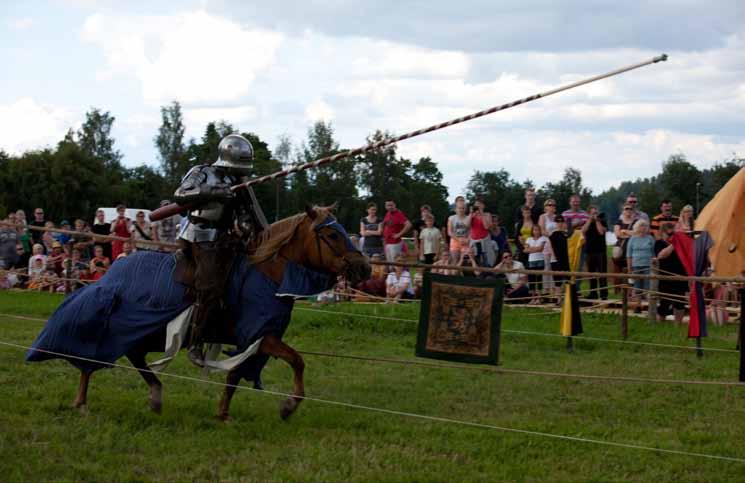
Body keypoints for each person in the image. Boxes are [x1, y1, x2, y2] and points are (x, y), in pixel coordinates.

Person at [174, 134, 268, 365]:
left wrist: (247, 228)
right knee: (210, 285)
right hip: (197, 235)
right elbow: (180, 194)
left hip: (225, 237)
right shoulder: (203, 172)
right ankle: (195, 342)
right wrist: (212, 193)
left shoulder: (240, 181)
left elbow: (249, 215)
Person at [654, 223, 687, 323]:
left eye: (673, 233)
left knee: (680, 303)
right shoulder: (659, 243)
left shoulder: (680, 244)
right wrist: (674, 244)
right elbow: (661, 255)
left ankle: (678, 325)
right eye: (669, 234)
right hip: (665, 277)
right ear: (663, 233)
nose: (672, 236)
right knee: (664, 302)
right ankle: (660, 324)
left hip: (680, 276)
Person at [626, 220, 655, 310]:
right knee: (637, 285)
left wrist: (654, 264)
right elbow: (629, 254)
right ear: (637, 227)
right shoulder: (632, 239)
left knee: (648, 285)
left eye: (645, 226)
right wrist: (629, 267)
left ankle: (650, 306)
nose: (643, 228)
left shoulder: (650, 238)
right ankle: (638, 305)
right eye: (641, 226)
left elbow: (653, 252)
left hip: (648, 265)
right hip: (636, 265)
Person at [582, 205, 608, 300]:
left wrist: (597, 220)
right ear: (588, 214)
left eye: (596, 213)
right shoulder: (587, 222)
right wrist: (589, 220)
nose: (594, 215)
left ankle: (603, 294)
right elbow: (583, 231)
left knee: (602, 273)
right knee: (591, 274)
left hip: (600, 251)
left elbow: (601, 232)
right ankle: (593, 293)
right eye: (592, 213)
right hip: (589, 251)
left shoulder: (602, 221)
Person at [523, 225, 548, 304]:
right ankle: (533, 298)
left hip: (540, 260)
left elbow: (541, 249)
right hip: (531, 261)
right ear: (532, 231)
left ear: (540, 231)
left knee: (539, 279)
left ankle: (539, 298)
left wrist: (531, 249)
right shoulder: (529, 239)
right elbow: (525, 250)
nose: (536, 232)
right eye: (534, 230)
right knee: (532, 279)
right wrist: (535, 249)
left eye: (537, 230)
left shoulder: (543, 238)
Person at [549, 215, 570, 301]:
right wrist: (554, 256)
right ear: (555, 223)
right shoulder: (553, 234)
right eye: (558, 221)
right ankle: (559, 298)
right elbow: (550, 246)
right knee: (557, 280)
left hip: (566, 259)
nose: (560, 223)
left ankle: (567, 297)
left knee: (567, 278)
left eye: (561, 221)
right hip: (556, 259)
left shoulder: (567, 234)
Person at [469, 199, 493, 267]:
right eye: (476, 205)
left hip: (485, 240)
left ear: (483, 206)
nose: (477, 206)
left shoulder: (487, 215)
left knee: (486, 259)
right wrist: (471, 214)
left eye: (479, 204)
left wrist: (482, 214)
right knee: (475, 259)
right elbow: (467, 225)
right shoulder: (472, 216)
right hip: (474, 240)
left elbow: (486, 227)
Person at [447, 196, 470, 264]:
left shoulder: (468, 218)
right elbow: (449, 232)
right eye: (459, 208)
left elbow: (471, 230)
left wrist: (468, 239)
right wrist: (458, 239)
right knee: (455, 261)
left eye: (463, 208)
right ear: (455, 209)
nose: (461, 210)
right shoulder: (451, 218)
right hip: (455, 241)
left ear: (465, 209)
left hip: (466, 241)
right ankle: (453, 274)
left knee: (465, 262)